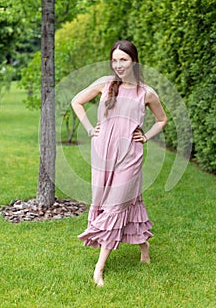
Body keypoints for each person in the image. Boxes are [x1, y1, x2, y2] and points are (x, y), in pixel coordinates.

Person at [71, 40, 167, 287]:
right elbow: (76, 102)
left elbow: (162, 120)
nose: (118, 65)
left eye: (123, 60)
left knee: (116, 205)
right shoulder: (105, 84)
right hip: (102, 152)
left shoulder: (146, 92)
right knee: (121, 202)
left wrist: (145, 136)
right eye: (114, 60)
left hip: (130, 155)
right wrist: (91, 128)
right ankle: (144, 249)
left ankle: (99, 269)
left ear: (134, 61)